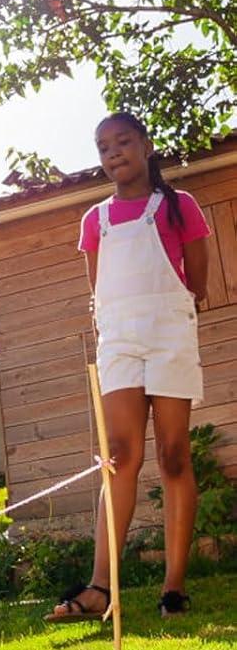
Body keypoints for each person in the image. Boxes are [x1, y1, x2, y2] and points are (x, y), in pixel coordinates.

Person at [46, 112, 210, 623]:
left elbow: (196, 283)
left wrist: (168, 312)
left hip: (169, 335)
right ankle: (101, 587)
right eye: (103, 147)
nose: (113, 153)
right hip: (118, 341)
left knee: (175, 456)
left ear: (145, 144)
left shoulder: (179, 207)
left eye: (122, 142)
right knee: (119, 455)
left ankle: (174, 587)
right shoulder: (94, 221)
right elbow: (101, 292)